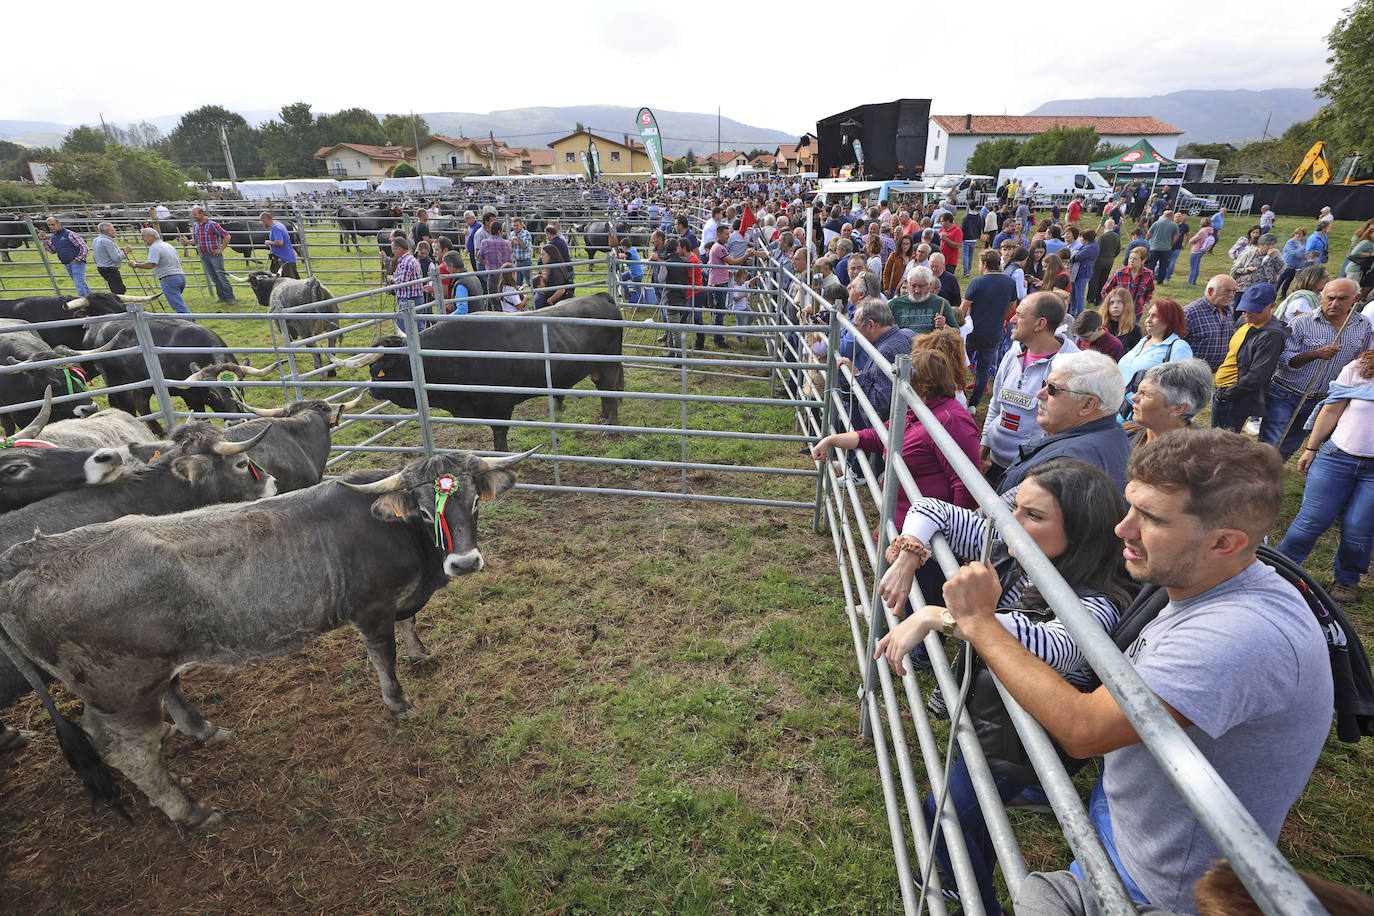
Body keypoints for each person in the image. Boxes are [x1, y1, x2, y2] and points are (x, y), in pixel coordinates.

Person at [941, 429, 1332, 915]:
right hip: (1131, 825)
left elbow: (1084, 730)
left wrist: (979, 622)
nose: (1122, 529)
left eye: (1149, 518)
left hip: (1161, 881)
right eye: (1130, 507)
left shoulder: (1237, 636)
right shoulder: (1198, 581)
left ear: (1223, 542)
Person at [875, 457, 1132, 916]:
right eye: (1017, 508)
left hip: (1026, 740)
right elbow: (933, 508)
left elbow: (1053, 647)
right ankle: (964, 878)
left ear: (1081, 531)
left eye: (1034, 516)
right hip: (994, 714)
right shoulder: (1014, 548)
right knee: (973, 815)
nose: (1011, 523)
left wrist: (937, 615)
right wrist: (911, 554)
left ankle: (976, 898)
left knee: (944, 812)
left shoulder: (1097, 602)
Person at [811, 348, 979, 524]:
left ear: (923, 386)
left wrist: (953, 536)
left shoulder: (953, 421)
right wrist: (832, 440)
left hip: (927, 530)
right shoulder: (917, 409)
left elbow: (966, 485)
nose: (898, 387)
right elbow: (880, 436)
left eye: (906, 382)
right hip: (901, 518)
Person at [1279, 347, 1374, 602]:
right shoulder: (1359, 369)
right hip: (1337, 458)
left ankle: (1346, 580)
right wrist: (1310, 449)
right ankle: (1279, 571)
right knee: (1312, 519)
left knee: (1358, 527)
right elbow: (1331, 410)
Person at [1258, 277, 1372, 459]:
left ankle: (1270, 475)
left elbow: (1361, 360)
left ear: (1356, 298)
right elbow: (1285, 359)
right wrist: (1315, 354)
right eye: (1330, 298)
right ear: (1321, 298)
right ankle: (1256, 479)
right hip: (1285, 393)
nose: (1335, 303)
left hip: (1321, 399)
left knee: (1291, 443)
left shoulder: (1362, 325)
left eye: (1342, 298)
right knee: (1270, 442)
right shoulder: (1301, 322)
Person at [997, 350, 1130, 494]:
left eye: (1053, 389)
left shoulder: (1066, 465)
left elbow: (1007, 512)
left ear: (1087, 405)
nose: (1040, 393)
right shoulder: (1110, 431)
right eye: (1044, 384)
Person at [981, 293, 1079, 486]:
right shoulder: (1013, 354)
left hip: (1031, 473)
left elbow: (1069, 426)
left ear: (1040, 324)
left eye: (1020, 315)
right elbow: (995, 404)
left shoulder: (1072, 364)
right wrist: (984, 446)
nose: (1012, 320)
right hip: (993, 462)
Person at [1210, 283, 1287, 433]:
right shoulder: (1244, 321)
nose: (1247, 314)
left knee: (1222, 446)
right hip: (1223, 390)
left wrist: (1226, 395)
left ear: (1272, 305)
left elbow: (1258, 375)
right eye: (1245, 309)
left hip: (1234, 398)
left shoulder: (1272, 335)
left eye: (1254, 310)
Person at [836, 299, 915, 430]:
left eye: (856, 326)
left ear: (871, 324)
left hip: (890, 432)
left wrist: (856, 374)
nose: (854, 331)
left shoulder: (884, 353)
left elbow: (878, 403)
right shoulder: (909, 334)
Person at [962, 249, 1020, 409]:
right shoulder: (1010, 282)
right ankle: (973, 405)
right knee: (984, 368)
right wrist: (1000, 318)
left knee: (960, 364)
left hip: (972, 332)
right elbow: (1012, 308)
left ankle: (957, 395)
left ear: (985, 264)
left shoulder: (977, 282)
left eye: (980, 263)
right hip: (994, 332)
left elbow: (963, 308)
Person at [1125, 358, 1214, 449]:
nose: (1133, 397)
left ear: (1178, 408)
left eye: (1145, 394)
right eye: (1138, 391)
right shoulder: (1126, 434)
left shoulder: (1201, 456)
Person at [1117, 299, 1194, 388]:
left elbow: (1182, 385)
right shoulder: (1143, 341)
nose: (1148, 320)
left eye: (1155, 316)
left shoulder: (1179, 347)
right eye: (1148, 315)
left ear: (1170, 319)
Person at [123, 227, 189, 315]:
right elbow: (180, 261)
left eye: (143, 236)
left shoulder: (155, 247)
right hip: (180, 277)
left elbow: (151, 264)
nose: (142, 239)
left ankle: (190, 322)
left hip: (168, 279)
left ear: (151, 236)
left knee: (178, 305)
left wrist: (135, 265)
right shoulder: (167, 245)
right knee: (178, 302)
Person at [1181, 275, 1239, 371]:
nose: (1232, 295)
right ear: (1210, 291)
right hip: (1191, 374)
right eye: (1227, 291)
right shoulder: (1190, 313)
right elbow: (1172, 344)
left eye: (1234, 291)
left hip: (1217, 375)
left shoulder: (1228, 311)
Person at [188, 206, 236, 304]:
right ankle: (222, 297)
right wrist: (187, 242)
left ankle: (230, 297)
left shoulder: (212, 225)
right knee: (214, 277)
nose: (193, 217)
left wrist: (221, 248)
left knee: (221, 276)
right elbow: (195, 241)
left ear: (202, 214)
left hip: (214, 255)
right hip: (204, 255)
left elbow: (226, 235)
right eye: (193, 214)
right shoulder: (195, 226)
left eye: (195, 214)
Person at [888, 267, 958, 335]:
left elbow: (957, 333)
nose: (917, 290)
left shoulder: (941, 303)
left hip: (930, 346)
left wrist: (945, 326)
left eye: (921, 286)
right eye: (913, 286)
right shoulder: (894, 305)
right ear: (908, 284)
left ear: (930, 285)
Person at [37, 216, 91, 296]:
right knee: (80, 283)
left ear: (59, 224)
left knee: (79, 284)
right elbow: (52, 250)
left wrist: (78, 259)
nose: (51, 227)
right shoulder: (53, 237)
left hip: (76, 263)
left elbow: (84, 247)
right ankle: (91, 299)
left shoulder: (70, 234)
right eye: (49, 225)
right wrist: (45, 240)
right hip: (67, 263)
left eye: (53, 224)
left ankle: (84, 302)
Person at [1100, 247, 1155, 317]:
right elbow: (1105, 290)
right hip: (1120, 311)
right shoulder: (1119, 273)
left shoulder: (1148, 274)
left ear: (1143, 261)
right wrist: (1110, 303)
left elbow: (1150, 290)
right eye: (1130, 258)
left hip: (1136, 311)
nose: (1131, 261)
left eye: (1135, 259)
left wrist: (1145, 303)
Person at [1230, 233, 1284, 301]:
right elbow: (1234, 270)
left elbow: (1281, 270)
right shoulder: (1248, 253)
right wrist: (1247, 269)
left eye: (1272, 244)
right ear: (1260, 245)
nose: (1271, 247)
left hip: (1266, 289)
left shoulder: (1275, 254)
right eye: (1268, 244)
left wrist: (1275, 258)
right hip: (1246, 289)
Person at [387, 237, 425, 329]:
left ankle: (408, 344)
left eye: (393, 249)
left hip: (408, 300)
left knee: (404, 328)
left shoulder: (406, 262)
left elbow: (402, 281)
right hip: (415, 298)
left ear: (399, 249)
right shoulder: (411, 259)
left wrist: (392, 280)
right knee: (418, 327)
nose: (393, 252)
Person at [1089, 220, 1120, 308]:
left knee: (1094, 280)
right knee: (1103, 281)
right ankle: (1099, 299)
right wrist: (1112, 257)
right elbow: (1118, 249)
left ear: (1105, 227)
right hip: (1109, 262)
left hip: (1099, 261)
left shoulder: (1102, 237)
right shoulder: (1116, 237)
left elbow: (1097, 250)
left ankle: (1091, 298)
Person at [1068, 230, 1099, 317]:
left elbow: (1078, 257)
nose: (1080, 239)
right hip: (1077, 273)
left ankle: (1079, 315)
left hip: (1082, 274)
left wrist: (1073, 254)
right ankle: (1072, 313)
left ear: (1086, 238)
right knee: (1073, 294)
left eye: (1081, 237)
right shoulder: (1088, 246)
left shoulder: (1091, 247)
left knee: (1079, 296)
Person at [91, 221, 126, 295]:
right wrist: (125, 252)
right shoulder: (107, 242)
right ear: (108, 231)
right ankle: (118, 305)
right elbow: (116, 258)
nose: (115, 230)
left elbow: (94, 256)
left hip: (101, 267)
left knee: (115, 287)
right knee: (119, 290)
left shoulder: (96, 240)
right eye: (113, 229)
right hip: (110, 269)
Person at [260, 211, 298, 279]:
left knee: (287, 282)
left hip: (284, 260)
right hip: (283, 258)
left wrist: (269, 242)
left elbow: (280, 243)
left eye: (262, 221)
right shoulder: (278, 225)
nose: (262, 224)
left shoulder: (276, 228)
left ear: (265, 219)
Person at [533, 243, 570, 310]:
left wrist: (549, 301)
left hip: (559, 303)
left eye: (543, 254)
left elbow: (561, 290)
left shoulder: (556, 269)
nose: (541, 257)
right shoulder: (549, 267)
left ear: (550, 255)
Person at [1145, 209, 1179, 278]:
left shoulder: (1156, 223)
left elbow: (1148, 234)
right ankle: (1160, 280)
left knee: (1151, 264)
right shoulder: (1174, 225)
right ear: (1172, 216)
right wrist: (1171, 244)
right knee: (1163, 265)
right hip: (1166, 248)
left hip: (1154, 247)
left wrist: (1146, 242)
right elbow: (1176, 236)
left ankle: (1148, 278)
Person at [1278, 227, 1308, 297]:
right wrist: (1304, 255)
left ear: (1303, 234)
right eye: (1296, 233)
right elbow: (1293, 253)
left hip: (1297, 265)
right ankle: (1273, 294)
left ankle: (1283, 295)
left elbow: (1307, 249)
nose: (1298, 235)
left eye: (1300, 234)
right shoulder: (1290, 242)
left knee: (1289, 281)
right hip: (1287, 264)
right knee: (1280, 280)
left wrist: (1305, 254)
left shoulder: (1304, 241)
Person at [960, 205, 983, 277]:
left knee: (965, 255)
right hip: (973, 238)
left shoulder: (966, 217)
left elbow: (962, 228)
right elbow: (980, 226)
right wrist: (978, 235)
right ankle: (968, 270)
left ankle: (966, 271)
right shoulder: (978, 217)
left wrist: (961, 237)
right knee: (970, 255)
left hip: (966, 238)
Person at [509, 217, 533, 286]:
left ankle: (536, 295)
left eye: (517, 225)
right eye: (514, 225)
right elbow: (511, 247)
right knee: (517, 282)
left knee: (530, 282)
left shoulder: (526, 233)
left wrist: (518, 240)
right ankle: (520, 296)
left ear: (521, 225)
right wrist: (511, 242)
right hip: (517, 261)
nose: (515, 227)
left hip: (526, 261)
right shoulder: (511, 234)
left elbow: (525, 246)